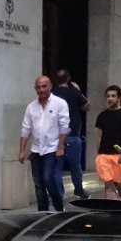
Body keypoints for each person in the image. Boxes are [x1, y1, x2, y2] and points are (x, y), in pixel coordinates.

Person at [18, 74, 70, 212]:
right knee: (38, 183)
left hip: (52, 149)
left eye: (44, 86)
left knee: (48, 178)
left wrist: (60, 147)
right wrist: (22, 150)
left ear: (50, 86)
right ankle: (43, 212)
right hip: (36, 150)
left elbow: (64, 127)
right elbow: (26, 129)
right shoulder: (31, 107)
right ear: (35, 89)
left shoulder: (60, 103)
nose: (41, 90)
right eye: (38, 87)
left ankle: (59, 207)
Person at [52, 69, 90, 200]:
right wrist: (79, 90)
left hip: (56, 138)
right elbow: (86, 106)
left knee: (57, 168)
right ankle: (79, 191)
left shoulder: (52, 94)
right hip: (72, 135)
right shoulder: (74, 92)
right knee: (75, 168)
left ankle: (58, 194)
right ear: (68, 79)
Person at [94, 86, 121, 199]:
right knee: (108, 184)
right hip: (104, 154)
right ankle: (110, 209)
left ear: (118, 98)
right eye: (108, 96)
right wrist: (98, 153)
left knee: (119, 185)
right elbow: (99, 135)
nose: (110, 98)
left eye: (113, 96)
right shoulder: (102, 115)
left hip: (119, 155)